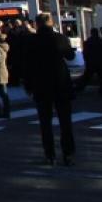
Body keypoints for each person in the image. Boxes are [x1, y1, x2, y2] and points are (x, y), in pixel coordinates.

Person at [25, 13, 77, 166]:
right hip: (60, 83)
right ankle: (68, 153)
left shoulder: (32, 40)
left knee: (45, 123)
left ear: (37, 24)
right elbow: (70, 57)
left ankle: (50, 154)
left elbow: (27, 66)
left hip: (41, 85)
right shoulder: (60, 38)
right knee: (65, 122)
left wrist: (29, 86)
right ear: (51, 22)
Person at [78, 27, 102, 93]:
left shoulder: (88, 42)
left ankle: (80, 87)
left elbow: (85, 52)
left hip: (91, 62)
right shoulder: (101, 41)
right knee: (101, 77)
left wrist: (86, 59)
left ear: (91, 33)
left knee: (87, 76)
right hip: (100, 62)